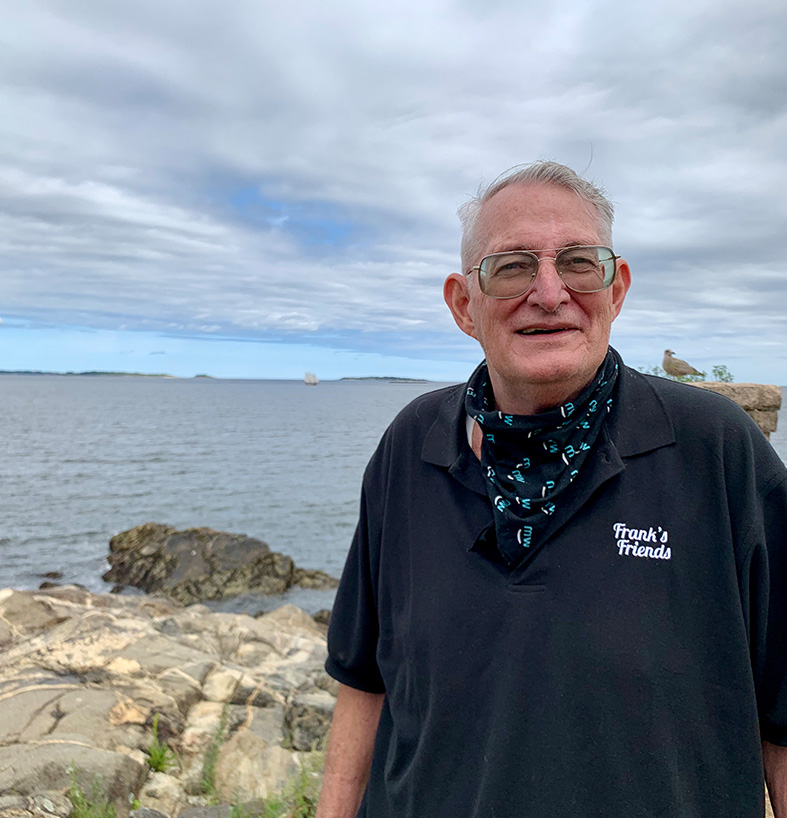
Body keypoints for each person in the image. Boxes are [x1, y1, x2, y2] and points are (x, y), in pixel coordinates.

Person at [315, 162, 787, 818]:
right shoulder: (410, 446)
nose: (547, 291)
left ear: (614, 289)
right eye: (509, 266)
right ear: (462, 305)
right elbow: (363, 684)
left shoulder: (715, 450)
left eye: (577, 262)